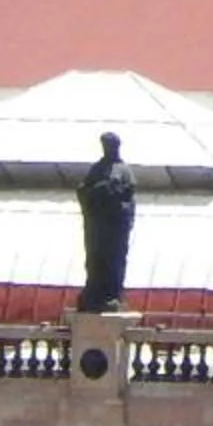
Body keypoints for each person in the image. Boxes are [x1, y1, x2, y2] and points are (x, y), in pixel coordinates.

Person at [76, 132, 136, 314]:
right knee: (95, 261)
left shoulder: (124, 170)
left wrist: (110, 193)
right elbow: (83, 191)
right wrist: (98, 192)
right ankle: (93, 294)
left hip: (114, 229)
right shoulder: (96, 169)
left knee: (113, 263)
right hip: (97, 228)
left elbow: (127, 198)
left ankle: (111, 296)